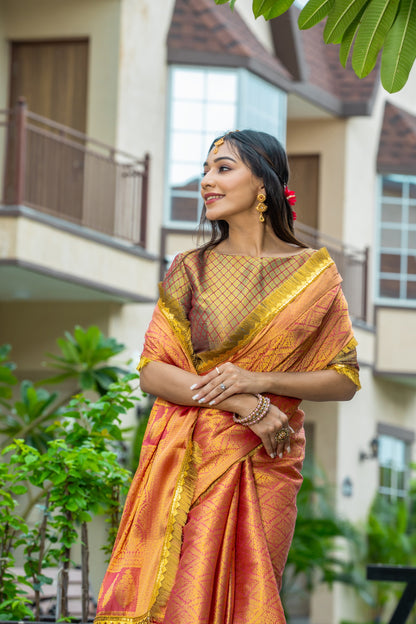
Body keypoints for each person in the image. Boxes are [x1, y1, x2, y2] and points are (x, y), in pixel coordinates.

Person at [94, 129, 360, 624]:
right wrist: (243, 403)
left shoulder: (314, 274)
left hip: (267, 461)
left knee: (251, 596)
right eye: (205, 170)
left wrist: (258, 381)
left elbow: (342, 378)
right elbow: (154, 371)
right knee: (180, 595)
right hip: (191, 456)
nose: (206, 182)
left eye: (223, 168)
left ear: (263, 183)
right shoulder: (190, 268)